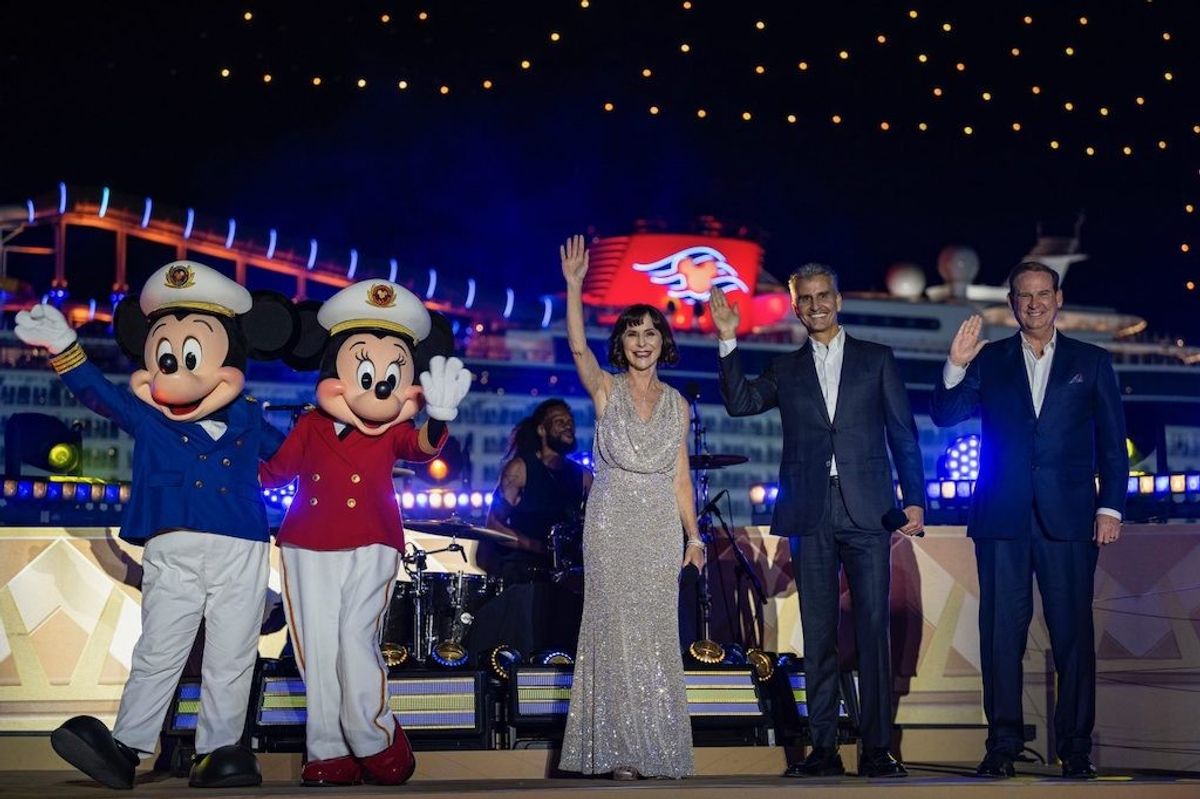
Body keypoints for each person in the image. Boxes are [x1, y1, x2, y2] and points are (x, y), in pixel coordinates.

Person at [15, 261, 300, 789]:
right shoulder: (149, 414)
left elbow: (289, 457)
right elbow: (100, 395)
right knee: (159, 649)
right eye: (166, 357)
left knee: (233, 653)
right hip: (174, 543)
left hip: (241, 544)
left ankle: (220, 750)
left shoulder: (249, 416)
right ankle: (127, 747)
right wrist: (65, 348)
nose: (176, 370)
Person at [709, 263, 925, 779]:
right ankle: (823, 748)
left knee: (873, 631)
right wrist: (727, 338)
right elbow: (740, 403)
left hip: (868, 509)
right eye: (805, 299)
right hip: (810, 511)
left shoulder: (877, 359)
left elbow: (903, 433)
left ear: (838, 299)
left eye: (823, 295)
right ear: (795, 306)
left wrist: (914, 499)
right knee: (819, 634)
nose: (815, 305)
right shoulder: (785, 368)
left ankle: (877, 749)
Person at [260, 280, 470, 787]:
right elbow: (274, 473)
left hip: (373, 537)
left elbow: (420, 448)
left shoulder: (393, 428)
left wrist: (438, 418)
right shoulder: (310, 426)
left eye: (391, 375)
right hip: (308, 541)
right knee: (317, 648)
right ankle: (327, 750)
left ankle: (373, 736)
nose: (379, 387)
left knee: (356, 637)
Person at [930, 261, 1126, 780]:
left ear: (1058, 298)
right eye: (1024, 295)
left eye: (1043, 294)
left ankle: (1076, 748)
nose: (1034, 303)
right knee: (1000, 636)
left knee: (1073, 638)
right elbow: (944, 415)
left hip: (1071, 520)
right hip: (1002, 518)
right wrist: (954, 365)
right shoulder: (988, 360)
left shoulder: (1092, 361)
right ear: (1012, 303)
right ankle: (1002, 745)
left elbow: (1112, 443)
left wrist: (1109, 508)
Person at [557, 234, 706, 780]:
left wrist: (694, 536)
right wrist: (574, 286)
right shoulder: (606, 389)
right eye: (632, 332)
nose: (642, 341)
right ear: (621, 342)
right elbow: (578, 350)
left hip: (660, 525)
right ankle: (619, 749)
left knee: (656, 633)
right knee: (613, 630)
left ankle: (657, 748)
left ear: (663, 341)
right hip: (612, 517)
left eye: (650, 332)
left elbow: (681, 478)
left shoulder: (678, 404)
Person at [471, 399, 591, 657]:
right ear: (541, 430)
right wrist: (536, 546)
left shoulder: (582, 476)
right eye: (559, 421)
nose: (567, 425)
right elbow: (493, 525)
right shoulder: (520, 469)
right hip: (524, 574)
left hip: (566, 580)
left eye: (570, 421)